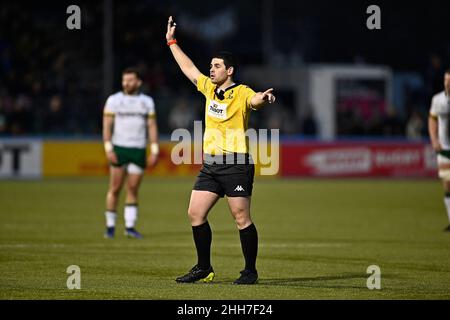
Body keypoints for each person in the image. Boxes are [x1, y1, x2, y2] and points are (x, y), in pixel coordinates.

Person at [166, 16, 276, 284]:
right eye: (211, 66)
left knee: (241, 217)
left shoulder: (241, 92)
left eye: (217, 66)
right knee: (195, 213)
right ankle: (204, 268)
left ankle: (250, 271)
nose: (211, 70)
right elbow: (189, 68)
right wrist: (171, 42)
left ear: (230, 71)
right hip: (211, 165)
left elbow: (254, 101)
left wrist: (263, 98)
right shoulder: (208, 88)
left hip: (236, 164)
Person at [102, 67, 159, 239]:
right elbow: (106, 126)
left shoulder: (147, 102)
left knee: (133, 188)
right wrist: (108, 148)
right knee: (115, 188)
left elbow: (152, 126)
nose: (126, 83)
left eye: (130, 80)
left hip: (138, 149)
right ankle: (110, 227)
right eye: (124, 80)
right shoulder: (114, 100)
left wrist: (154, 150)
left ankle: (129, 227)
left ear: (138, 82)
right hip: (119, 148)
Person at [428, 69, 450, 231]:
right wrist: (434, 139)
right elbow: (432, 119)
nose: (447, 83)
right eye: (446, 79)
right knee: (447, 185)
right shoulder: (438, 100)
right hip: (444, 149)